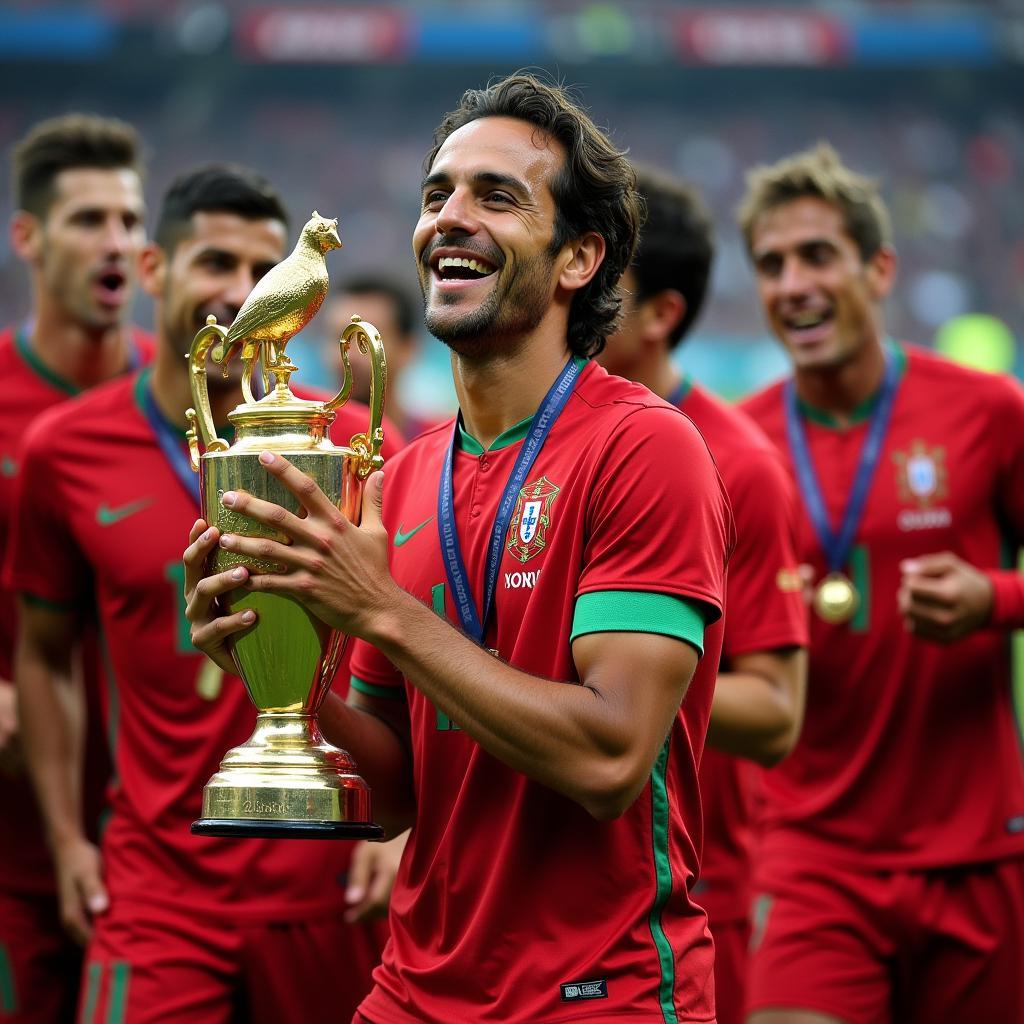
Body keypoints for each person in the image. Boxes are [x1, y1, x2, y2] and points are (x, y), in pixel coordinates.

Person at [184, 73, 734, 1024]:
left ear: (578, 259)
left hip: (594, 993)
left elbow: (610, 760)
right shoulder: (402, 476)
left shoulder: (645, 449)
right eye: (438, 194)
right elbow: (395, 788)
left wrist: (381, 612)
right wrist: (271, 660)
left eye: (498, 196)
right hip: (415, 988)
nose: (451, 217)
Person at [7, 164, 400, 1024]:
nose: (239, 293)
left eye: (262, 271)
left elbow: (402, 642)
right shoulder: (65, 450)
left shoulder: (359, 454)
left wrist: (403, 824)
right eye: (215, 262)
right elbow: (45, 657)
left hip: (328, 878)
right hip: (156, 887)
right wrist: (68, 840)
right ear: (155, 270)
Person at [737, 142, 1024, 1024]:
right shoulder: (740, 449)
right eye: (772, 265)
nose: (794, 284)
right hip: (810, 855)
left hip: (976, 851)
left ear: (879, 268)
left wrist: (994, 600)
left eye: (818, 255)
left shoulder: (988, 412)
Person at [597, 166, 808, 1024]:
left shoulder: (742, 464)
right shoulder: (540, 439)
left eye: (608, 283)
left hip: (691, 882)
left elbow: (777, 712)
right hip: (555, 868)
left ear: (663, 316)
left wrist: (629, 687)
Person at [0, 112, 150, 1024]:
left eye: (131, 222)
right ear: (28, 237)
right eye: (90, 219)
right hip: (13, 836)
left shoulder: (191, 401)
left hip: (161, 840)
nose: (118, 243)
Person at [322, 274, 430, 438]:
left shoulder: (442, 448)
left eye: (365, 340)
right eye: (339, 338)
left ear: (408, 348)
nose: (349, 357)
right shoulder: (307, 443)